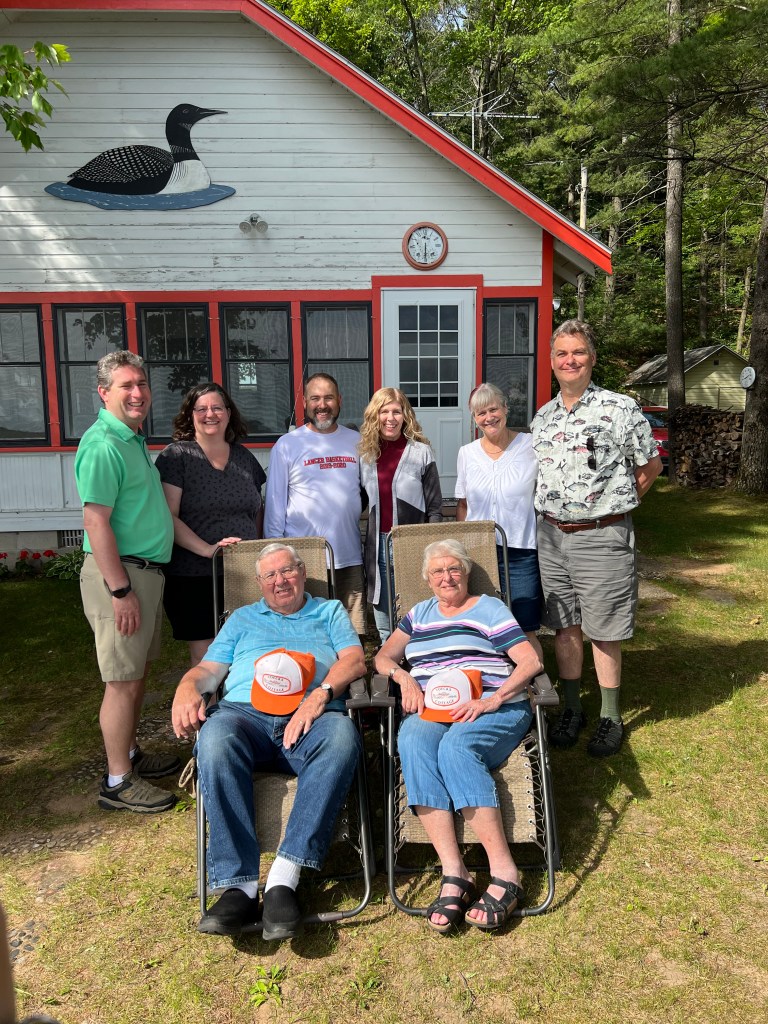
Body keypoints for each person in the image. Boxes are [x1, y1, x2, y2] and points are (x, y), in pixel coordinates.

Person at [171, 542, 365, 939]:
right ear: (259, 583)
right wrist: (187, 686)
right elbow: (209, 668)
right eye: (270, 575)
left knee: (343, 737)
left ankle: (283, 877)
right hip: (246, 717)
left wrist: (319, 695)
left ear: (302, 570)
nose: (281, 581)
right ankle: (238, 885)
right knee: (215, 737)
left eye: (288, 571)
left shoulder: (328, 611)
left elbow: (355, 660)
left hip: (314, 717)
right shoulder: (242, 618)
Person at [374, 539, 542, 933]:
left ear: (466, 573)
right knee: (412, 741)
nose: (446, 577)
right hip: (433, 707)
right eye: (437, 572)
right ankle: (456, 871)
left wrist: (491, 700)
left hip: (493, 706)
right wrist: (404, 678)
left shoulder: (488, 608)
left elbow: (531, 660)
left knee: (456, 747)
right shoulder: (418, 614)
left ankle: (505, 872)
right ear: (427, 579)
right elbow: (383, 657)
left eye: (454, 569)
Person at [530, 319, 662, 757]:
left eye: (578, 352)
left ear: (592, 358)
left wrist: (613, 507)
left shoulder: (620, 409)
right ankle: (571, 708)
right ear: (552, 363)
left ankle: (609, 715)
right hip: (550, 538)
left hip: (602, 538)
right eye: (562, 354)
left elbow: (649, 468)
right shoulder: (543, 418)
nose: (570, 360)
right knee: (565, 626)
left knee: (604, 630)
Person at [75, 351, 179, 814]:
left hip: (144, 572)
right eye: (125, 386)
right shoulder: (103, 443)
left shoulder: (131, 439)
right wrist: (119, 590)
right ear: (103, 392)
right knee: (120, 679)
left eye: (141, 384)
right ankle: (117, 780)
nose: (137, 393)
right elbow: (96, 520)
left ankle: (130, 754)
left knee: (136, 673)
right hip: (121, 574)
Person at [155, 383, 266, 665]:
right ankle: (209, 708)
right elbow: (168, 515)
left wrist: (260, 551)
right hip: (194, 574)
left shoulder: (244, 457)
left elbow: (258, 509)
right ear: (190, 415)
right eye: (201, 409)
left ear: (228, 413)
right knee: (207, 656)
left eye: (217, 407)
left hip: (243, 571)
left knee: (248, 650)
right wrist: (206, 549)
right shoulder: (176, 456)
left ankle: (242, 708)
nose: (210, 414)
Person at [264, 373, 365, 636]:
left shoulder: (356, 442)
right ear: (305, 403)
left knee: (352, 632)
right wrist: (274, 553)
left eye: (328, 397)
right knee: (308, 631)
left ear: (339, 400)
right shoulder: (287, 445)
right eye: (315, 398)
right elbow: (275, 503)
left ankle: (349, 676)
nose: (322, 405)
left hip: (349, 554)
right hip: (305, 557)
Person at [456, 382, 544, 656]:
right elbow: (463, 504)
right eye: (480, 413)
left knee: (524, 626)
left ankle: (532, 689)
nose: (488, 417)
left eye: (493, 409)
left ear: (506, 409)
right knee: (482, 624)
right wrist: (464, 547)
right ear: (474, 419)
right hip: (480, 553)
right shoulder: (467, 453)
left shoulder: (530, 446)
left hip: (521, 550)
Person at [358, 387, 443, 643]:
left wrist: (431, 546)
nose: (391, 418)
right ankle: (389, 668)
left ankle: (416, 663)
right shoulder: (366, 455)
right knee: (384, 613)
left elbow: (434, 507)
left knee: (415, 607)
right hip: (378, 545)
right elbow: (359, 500)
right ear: (376, 415)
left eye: (397, 411)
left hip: (411, 543)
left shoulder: (421, 452)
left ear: (405, 415)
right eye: (384, 411)